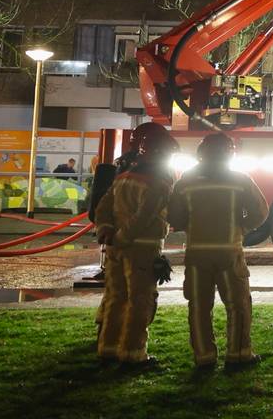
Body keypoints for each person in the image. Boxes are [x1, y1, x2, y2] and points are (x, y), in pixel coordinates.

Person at [167, 133, 268, 368]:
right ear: (230, 154)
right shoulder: (241, 179)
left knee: (199, 306)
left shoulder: (185, 181)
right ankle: (239, 354)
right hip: (228, 252)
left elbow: (174, 216)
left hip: (197, 253)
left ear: (201, 153)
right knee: (238, 305)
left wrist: (191, 226)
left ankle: (204, 357)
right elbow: (261, 212)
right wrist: (243, 228)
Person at [94, 122, 177, 366]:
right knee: (140, 300)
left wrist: (108, 232)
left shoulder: (124, 176)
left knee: (115, 297)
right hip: (142, 249)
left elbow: (103, 207)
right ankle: (133, 353)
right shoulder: (159, 181)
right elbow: (145, 215)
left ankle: (107, 348)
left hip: (115, 249)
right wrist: (124, 238)